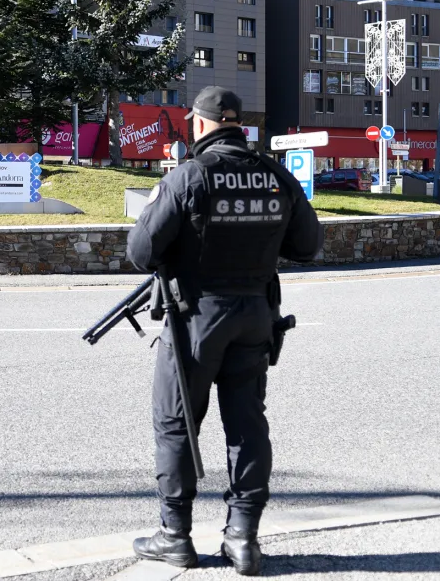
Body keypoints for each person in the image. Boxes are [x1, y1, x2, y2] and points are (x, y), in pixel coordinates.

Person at [127, 87, 323, 576]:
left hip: (194, 318)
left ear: (198, 124)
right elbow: (308, 246)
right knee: (247, 425)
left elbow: (141, 251)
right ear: (240, 126)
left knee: (177, 424)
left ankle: (175, 537)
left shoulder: (188, 176)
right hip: (255, 314)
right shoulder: (276, 177)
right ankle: (243, 539)